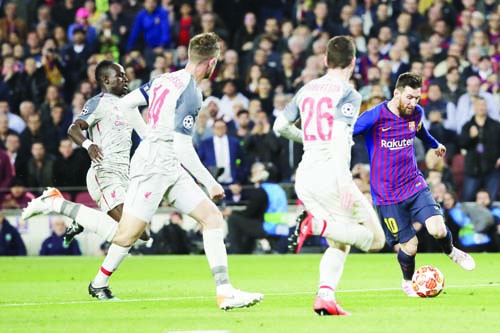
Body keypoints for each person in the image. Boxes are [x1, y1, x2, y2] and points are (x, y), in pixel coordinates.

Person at [23, 32, 263, 310]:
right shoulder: (191, 92)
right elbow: (184, 146)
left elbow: (127, 104)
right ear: (210, 63)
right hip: (153, 167)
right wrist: (210, 183)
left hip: (165, 163)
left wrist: (147, 134)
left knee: (211, 218)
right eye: (215, 63)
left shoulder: (164, 79)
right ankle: (69, 226)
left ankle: (225, 291)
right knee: (127, 234)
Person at [273, 35, 385, 316]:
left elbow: (280, 126)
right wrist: (344, 181)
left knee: (340, 241)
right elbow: (336, 137)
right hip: (330, 175)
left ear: (325, 60)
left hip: (306, 175)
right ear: (354, 62)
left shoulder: (307, 89)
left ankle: (325, 296)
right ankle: (314, 226)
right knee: (375, 241)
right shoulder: (349, 93)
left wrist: (309, 139)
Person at [352, 72, 476, 297]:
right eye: (409, 97)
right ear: (397, 93)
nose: (413, 103)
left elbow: (420, 131)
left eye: (417, 98)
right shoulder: (374, 116)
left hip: (413, 183)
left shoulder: (416, 113)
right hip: (387, 194)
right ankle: (407, 281)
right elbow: (347, 132)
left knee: (437, 229)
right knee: (410, 246)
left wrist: (434, 144)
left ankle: (451, 252)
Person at [63, 59, 148, 246]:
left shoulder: (128, 104)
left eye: (126, 75)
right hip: (104, 173)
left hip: (125, 175)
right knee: (134, 230)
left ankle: (84, 220)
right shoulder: (98, 103)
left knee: (144, 235)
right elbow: (73, 129)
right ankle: (74, 212)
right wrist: (88, 145)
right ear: (106, 80)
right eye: (120, 76)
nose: (126, 79)